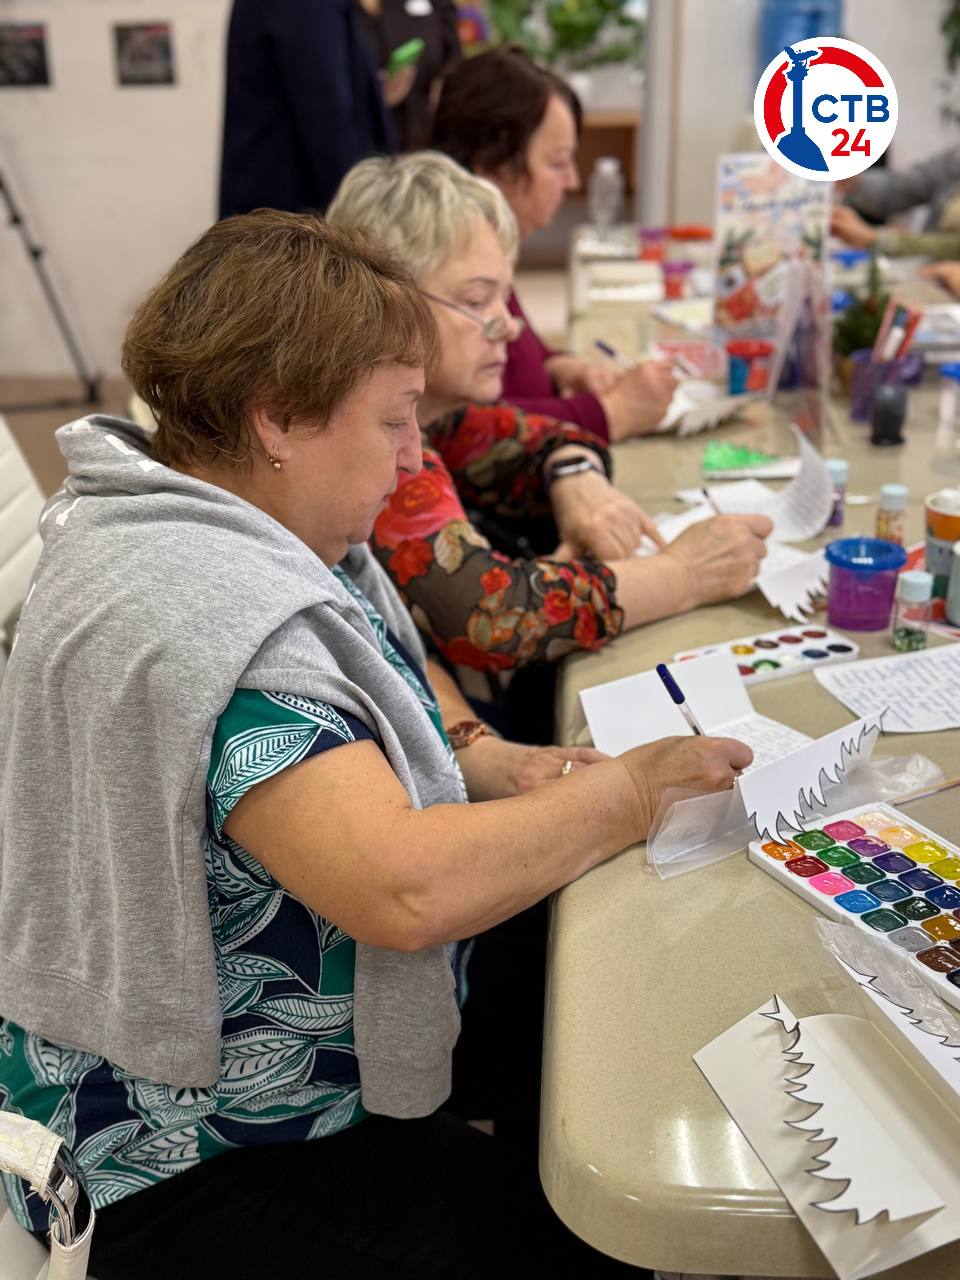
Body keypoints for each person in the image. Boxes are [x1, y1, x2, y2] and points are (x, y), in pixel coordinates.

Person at [0, 210, 753, 1278]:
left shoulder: (227, 506)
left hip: (263, 1040)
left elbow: (389, 666)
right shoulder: (209, 617)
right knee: (586, 1232)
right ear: (278, 416)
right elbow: (402, 886)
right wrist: (630, 795)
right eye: (396, 422)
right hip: (181, 1148)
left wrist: (486, 756)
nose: (413, 457)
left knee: (597, 1002)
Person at [326, 153, 772, 706]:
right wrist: (685, 573)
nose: (510, 326)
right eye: (477, 300)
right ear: (390, 306)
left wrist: (574, 478)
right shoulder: (375, 448)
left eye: (505, 296)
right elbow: (488, 614)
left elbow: (544, 437)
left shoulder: (442, 415)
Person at [432, 45, 676, 442]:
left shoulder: (483, 243)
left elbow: (519, 353)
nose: (572, 181)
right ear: (494, 165)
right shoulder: (442, 260)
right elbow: (454, 422)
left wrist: (562, 368)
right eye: (557, 162)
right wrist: (611, 413)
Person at [218, 0, 394, 220]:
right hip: (293, 217)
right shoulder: (304, 6)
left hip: (287, 211)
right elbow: (328, 124)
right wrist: (367, 217)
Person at [358, 0, 461, 151]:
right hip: (367, 140)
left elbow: (455, 61)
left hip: (427, 135)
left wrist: (442, 86)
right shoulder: (335, 13)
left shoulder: (437, 6)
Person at [831, 143, 960, 260]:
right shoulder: (954, 159)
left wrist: (875, 239)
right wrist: (851, 183)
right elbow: (902, 187)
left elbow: (953, 246)